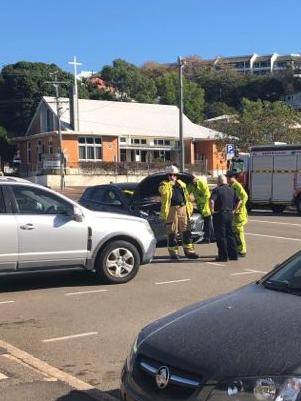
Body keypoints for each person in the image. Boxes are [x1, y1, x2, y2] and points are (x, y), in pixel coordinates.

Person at [159, 165, 198, 260]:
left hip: (183, 209)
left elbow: (187, 196)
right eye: (170, 175)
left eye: (174, 175)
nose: (172, 177)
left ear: (177, 176)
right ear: (167, 176)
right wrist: (170, 184)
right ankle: (174, 253)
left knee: (186, 230)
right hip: (171, 210)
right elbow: (162, 192)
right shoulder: (163, 184)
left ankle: (189, 251)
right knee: (172, 232)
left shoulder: (182, 184)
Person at [210, 174, 238, 262]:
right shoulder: (232, 189)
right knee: (230, 235)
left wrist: (212, 211)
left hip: (220, 214)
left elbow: (211, 201)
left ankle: (223, 256)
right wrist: (234, 210)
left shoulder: (216, 190)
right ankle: (233, 255)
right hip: (230, 214)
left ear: (218, 181)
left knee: (221, 236)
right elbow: (239, 200)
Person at [187, 174, 215, 243]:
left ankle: (208, 238)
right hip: (200, 206)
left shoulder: (202, 183)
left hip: (206, 206)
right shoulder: (191, 185)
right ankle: (209, 237)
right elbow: (186, 193)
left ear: (195, 179)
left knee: (207, 223)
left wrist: (196, 199)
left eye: (193, 180)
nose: (192, 182)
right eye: (191, 181)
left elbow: (207, 196)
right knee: (205, 222)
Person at [226, 170, 248, 257]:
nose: (227, 179)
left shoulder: (237, 186)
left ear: (232, 177)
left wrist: (238, 208)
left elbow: (244, 197)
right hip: (234, 213)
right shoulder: (231, 185)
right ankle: (237, 249)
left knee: (238, 233)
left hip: (238, 213)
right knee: (234, 232)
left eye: (228, 177)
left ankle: (242, 250)